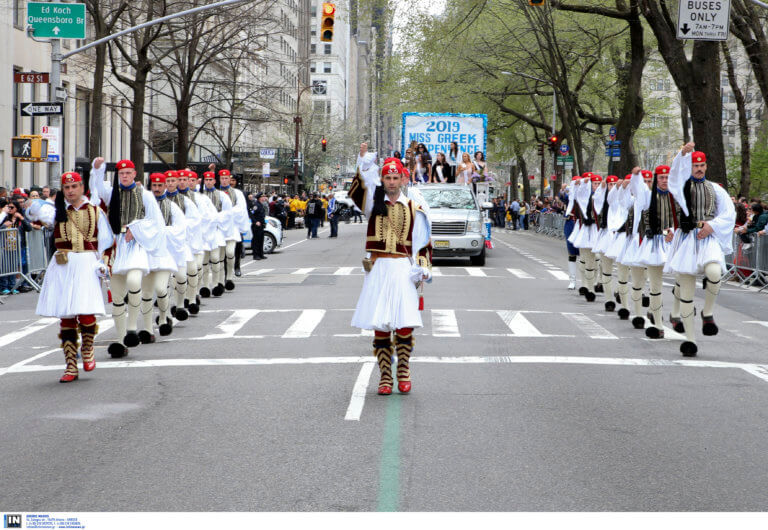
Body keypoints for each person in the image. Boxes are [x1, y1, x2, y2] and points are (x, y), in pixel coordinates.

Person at [349, 143, 432, 395]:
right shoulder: (373, 203)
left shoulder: (413, 205)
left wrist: (422, 267)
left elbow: (422, 240)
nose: (392, 182)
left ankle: (403, 370)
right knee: (381, 324)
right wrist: (364, 161)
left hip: (402, 269)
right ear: (382, 179)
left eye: (396, 177)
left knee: (404, 323)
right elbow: (357, 191)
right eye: (388, 177)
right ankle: (385, 375)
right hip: (378, 267)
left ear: (403, 178)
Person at [24, 172, 114, 382]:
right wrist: (31, 204)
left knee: (85, 310)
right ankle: (70, 365)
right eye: (67, 187)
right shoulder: (56, 211)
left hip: (85, 262)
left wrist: (104, 263)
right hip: (63, 263)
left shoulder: (95, 211)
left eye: (74, 186)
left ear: (82, 187)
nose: (71, 191)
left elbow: (107, 241)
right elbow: (33, 213)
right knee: (66, 315)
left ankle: (89, 346)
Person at [665, 144, 736, 356]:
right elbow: (674, 175)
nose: (699, 169)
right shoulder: (680, 186)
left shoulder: (716, 189)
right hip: (687, 238)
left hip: (707, 237)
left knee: (714, 273)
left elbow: (729, 214)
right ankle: (689, 339)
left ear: (706, 166)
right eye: (695, 165)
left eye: (702, 165)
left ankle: (708, 312)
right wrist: (682, 154)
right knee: (686, 291)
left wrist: (711, 226)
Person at [89, 157, 164, 358]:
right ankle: (121, 341)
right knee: (118, 295)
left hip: (136, 244)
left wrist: (135, 228)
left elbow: (156, 221)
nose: (124, 176)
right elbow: (96, 187)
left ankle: (132, 328)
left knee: (133, 280)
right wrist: (97, 169)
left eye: (128, 173)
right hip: (116, 246)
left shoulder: (145, 195)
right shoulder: (112, 193)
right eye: (121, 173)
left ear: (134, 174)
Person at [630, 165, 676, 338]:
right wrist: (635, 176)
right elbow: (638, 189)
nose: (664, 180)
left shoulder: (676, 196)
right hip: (655, 243)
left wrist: (673, 230)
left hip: (674, 243)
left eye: (667, 177)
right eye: (661, 177)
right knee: (655, 286)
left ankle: (678, 312)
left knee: (682, 280)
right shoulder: (648, 196)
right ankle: (657, 324)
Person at [167, 169, 203, 318]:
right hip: (166, 242)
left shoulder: (190, 199)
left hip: (185, 240)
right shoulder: (158, 200)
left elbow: (196, 219)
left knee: (191, 269)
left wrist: (178, 227)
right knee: (172, 275)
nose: (180, 182)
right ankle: (176, 302)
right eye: (177, 179)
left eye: (182, 179)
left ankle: (192, 297)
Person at [249, 193, 267, 259]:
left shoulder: (260, 205)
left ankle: (261, 254)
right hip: (256, 226)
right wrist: (255, 221)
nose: (264, 198)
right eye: (263, 197)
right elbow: (251, 214)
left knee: (261, 240)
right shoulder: (256, 205)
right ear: (260, 198)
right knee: (256, 240)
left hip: (261, 225)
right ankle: (256, 255)